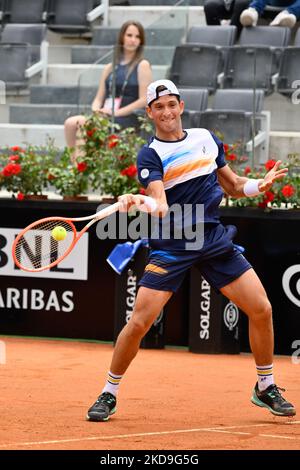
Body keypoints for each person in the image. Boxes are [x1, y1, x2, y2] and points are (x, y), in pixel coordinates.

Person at [86, 79, 296, 422]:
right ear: (150, 112)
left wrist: (261, 184)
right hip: (172, 243)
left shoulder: (206, 140)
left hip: (212, 239)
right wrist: (136, 199)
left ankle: (265, 386)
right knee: (139, 321)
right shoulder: (150, 154)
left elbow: (234, 186)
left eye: (172, 104)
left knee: (261, 308)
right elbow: (160, 204)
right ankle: (108, 393)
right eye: (159, 107)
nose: (166, 112)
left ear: (181, 106)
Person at [64, 21, 152, 161]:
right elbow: (99, 98)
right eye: (129, 35)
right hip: (107, 115)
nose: (133, 40)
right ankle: (76, 164)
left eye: (137, 36)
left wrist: (115, 113)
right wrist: (96, 110)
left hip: (127, 116)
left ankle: (78, 172)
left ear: (141, 41)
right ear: (122, 37)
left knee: (81, 123)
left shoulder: (143, 65)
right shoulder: (110, 66)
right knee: (70, 123)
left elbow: (144, 99)